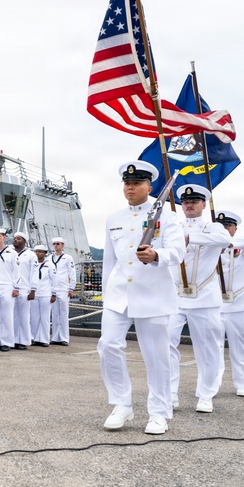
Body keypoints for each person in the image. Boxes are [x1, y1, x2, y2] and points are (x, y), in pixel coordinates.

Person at [98, 161, 185, 436]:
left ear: (149, 187)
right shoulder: (114, 219)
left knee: (156, 356)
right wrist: (106, 295)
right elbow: (109, 261)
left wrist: (157, 255)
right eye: (127, 183)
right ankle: (121, 404)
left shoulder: (167, 216)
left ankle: (159, 412)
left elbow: (178, 251)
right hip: (118, 294)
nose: (130, 188)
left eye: (136, 183)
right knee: (108, 345)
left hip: (152, 294)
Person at [166, 184, 232, 414]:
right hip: (175, 296)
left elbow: (224, 239)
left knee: (207, 349)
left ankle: (206, 394)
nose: (189, 205)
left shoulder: (213, 227)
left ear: (204, 204)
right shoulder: (174, 226)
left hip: (204, 297)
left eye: (194, 201)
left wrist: (189, 238)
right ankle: (170, 393)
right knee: (165, 343)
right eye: (185, 202)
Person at [215, 211, 244, 397]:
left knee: (241, 346)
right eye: (221, 226)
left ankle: (242, 383)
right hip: (216, 304)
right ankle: (212, 385)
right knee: (213, 347)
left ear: (235, 229)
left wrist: (227, 242)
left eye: (228, 226)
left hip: (240, 304)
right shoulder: (210, 248)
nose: (225, 229)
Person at [50, 237, 76, 345]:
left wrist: (71, 287)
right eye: (54, 244)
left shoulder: (68, 258)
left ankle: (64, 338)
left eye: (58, 243)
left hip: (64, 288)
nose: (56, 245)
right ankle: (55, 337)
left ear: (62, 245)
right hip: (53, 289)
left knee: (64, 313)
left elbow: (72, 273)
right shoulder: (50, 258)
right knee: (55, 314)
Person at [11, 232, 36, 350]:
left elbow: (34, 273)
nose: (16, 240)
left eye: (19, 238)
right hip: (11, 289)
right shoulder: (10, 253)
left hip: (25, 289)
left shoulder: (30, 255)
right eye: (15, 238)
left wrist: (33, 290)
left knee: (24, 316)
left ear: (24, 241)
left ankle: (24, 340)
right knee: (13, 316)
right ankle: (14, 339)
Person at [29, 244, 56, 347]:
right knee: (34, 318)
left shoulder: (50, 265)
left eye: (40, 251)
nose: (37, 253)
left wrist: (54, 294)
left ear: (45, 253)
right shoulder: (32, 263)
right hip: (34, 294)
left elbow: (54, 279)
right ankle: (34, 338)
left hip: (45, 294)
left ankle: (44, 339)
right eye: (36, 251)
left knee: (45, 318)